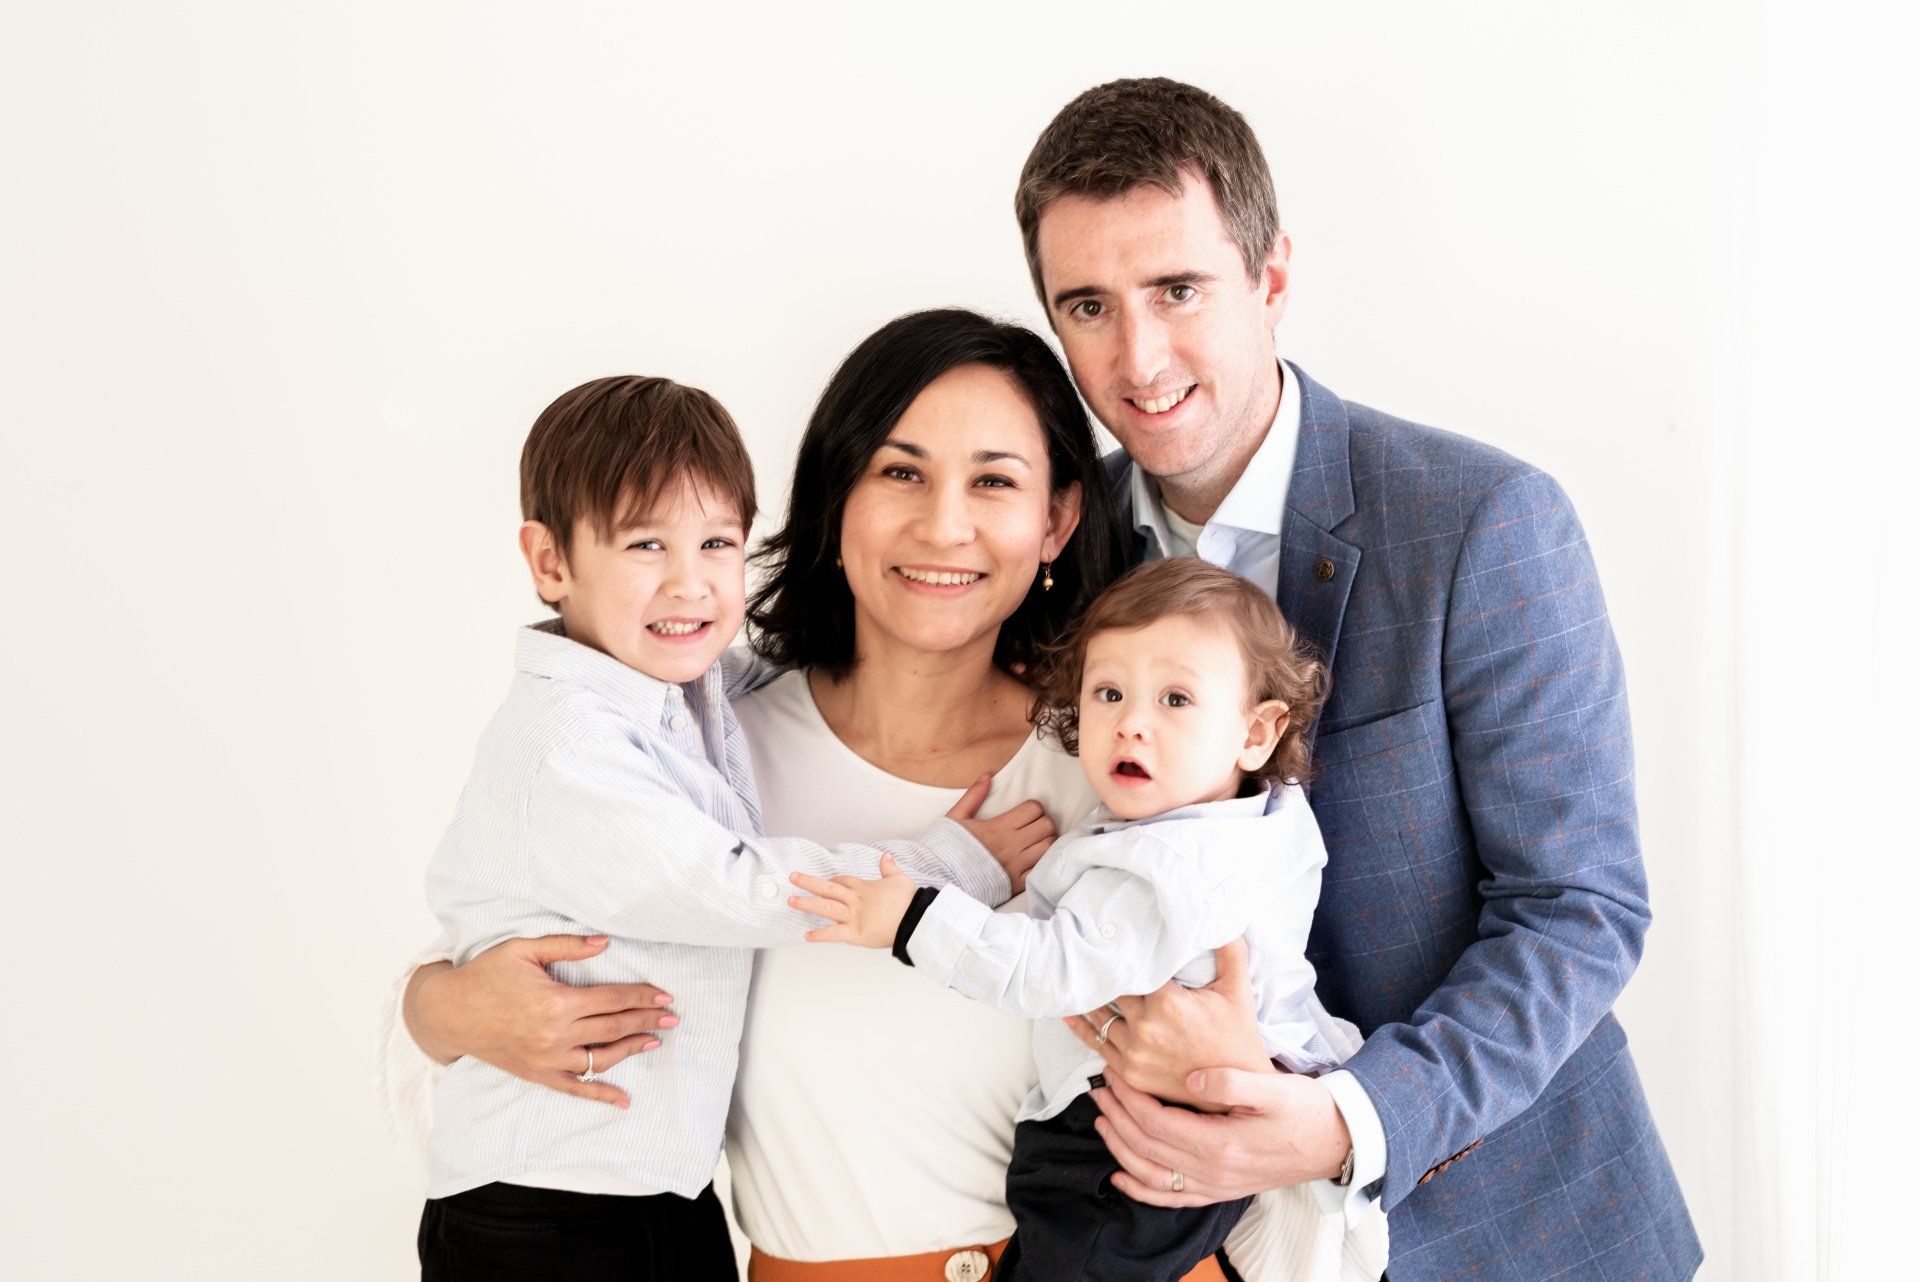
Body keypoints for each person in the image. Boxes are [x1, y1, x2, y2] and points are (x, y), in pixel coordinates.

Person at [1016, 79, 1701, 1281]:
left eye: (1178, 288)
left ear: (1271, 277)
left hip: (1506, 1232)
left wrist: (1348, 1119)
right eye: (1088, 305)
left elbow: (1579, 909)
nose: (1138, 354)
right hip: (1176, 1244)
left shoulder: (1483, 522)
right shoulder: (1053, 560)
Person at [392, 312, 1226, 1279]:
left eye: (994, 480)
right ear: (836, 499)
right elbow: (507, 931)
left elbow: (1241, 1024)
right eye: (900, 471)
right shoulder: (701, 741)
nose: (943, 524)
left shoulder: (1123, 769)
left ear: (1058, 521)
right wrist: (439, 1010)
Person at [790, 557, 1386, 1282]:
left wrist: (914, 920)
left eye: (1175, 699)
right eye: (1109, 693)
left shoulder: (1167, 867)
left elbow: (1051, 969)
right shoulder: (1257, 821)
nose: (1132, 723)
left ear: (1256, 732)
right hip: (1177, 1137)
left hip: (1124, 1143)